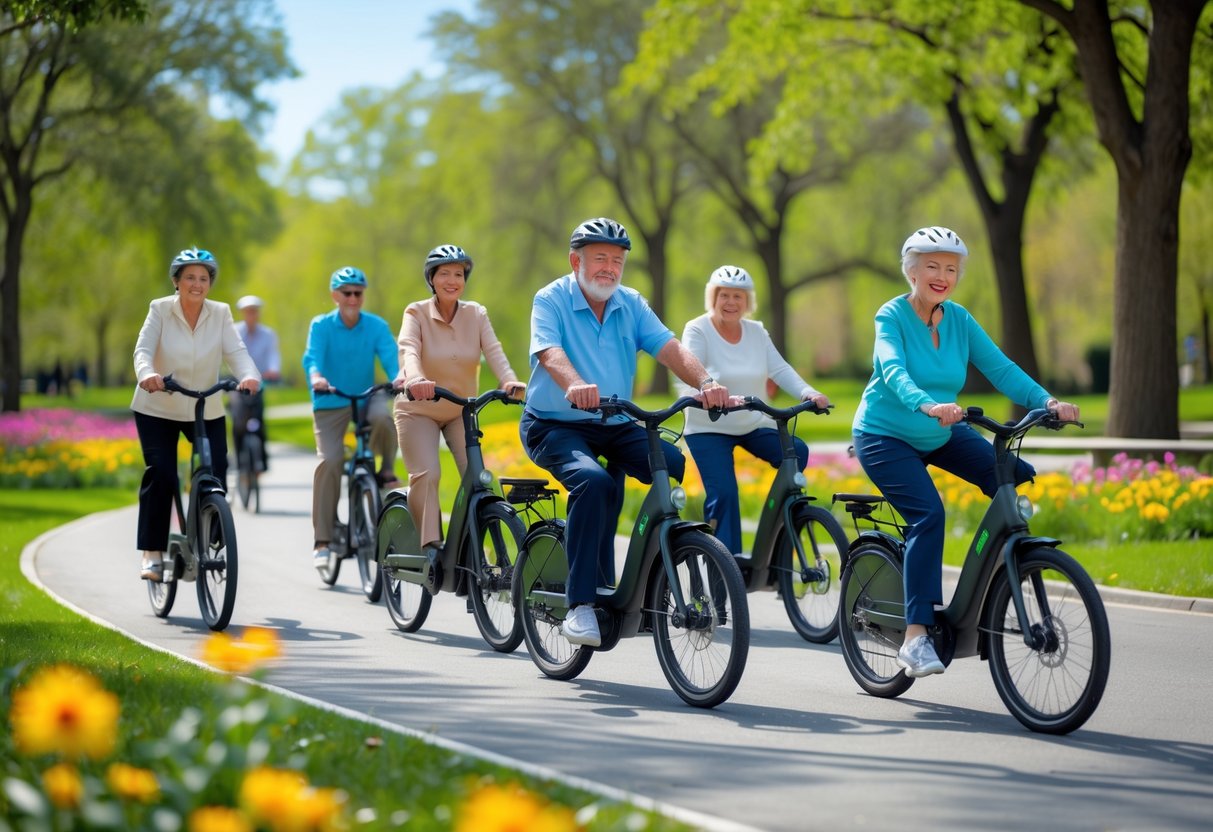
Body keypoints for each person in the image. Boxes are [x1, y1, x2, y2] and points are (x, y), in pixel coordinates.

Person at [851, 226, 1080, 677]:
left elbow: (1002, 368)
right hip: (885, 434)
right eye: (932, 266)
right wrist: (926, 403)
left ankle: (998, 578)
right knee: (928, 515)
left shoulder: (959, 319)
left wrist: (1047, 403)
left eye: (950, 269)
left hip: (941, 430)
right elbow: (892, 367)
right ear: (912, 271)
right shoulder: (891, 316)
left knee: (1013, 475)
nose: (942, 275)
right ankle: (916, 636)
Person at [520, 217, 730, 647]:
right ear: (575, 260)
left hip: (613, 422)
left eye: (617, 261)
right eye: (600, 258)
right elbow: (548, 351)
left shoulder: (630, 303)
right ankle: (579, 607)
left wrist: (706, 383)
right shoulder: (551, 298)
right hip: (553, 425)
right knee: (594, 484)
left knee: (671, 464)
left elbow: (670, 349)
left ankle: (651, 585)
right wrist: (574, 384)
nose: (609, 268)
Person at [677, 265, 831, 554]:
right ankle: (727, 566)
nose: (731, 303)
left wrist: (808, 392)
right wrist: (708, 393)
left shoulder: (756, 331)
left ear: (747, 301)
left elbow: (780, 368)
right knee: (724, 494)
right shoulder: (697, 329)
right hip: (708, 427)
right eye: (725, 296)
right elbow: (690, 370)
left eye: (738, 296)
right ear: (714, 297)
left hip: (752, 423)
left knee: (796, 453)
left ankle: (774, 536)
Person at [131, 248, 260, 582]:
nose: (197, 284)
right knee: (162, 474)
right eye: (189, 277)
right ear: (176, 281)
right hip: (158, 405)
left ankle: (211, 530)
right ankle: (153, 552)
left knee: (218, 468)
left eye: (203, 278)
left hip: (205, 405)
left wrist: (250, 375)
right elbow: (143, 349)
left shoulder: (220, 313)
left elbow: (236, 352)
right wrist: (146, 373)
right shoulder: (159, 309)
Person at [394, 244, 526, 561]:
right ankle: (429, 549)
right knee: (428, 475)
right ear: (432, 279)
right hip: (418, 409)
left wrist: (508, 379)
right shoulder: (416, 312)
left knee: (479, 478)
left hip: (460, 411)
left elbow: (494, 350)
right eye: (444, 274)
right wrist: (414, 379)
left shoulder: (476, 314)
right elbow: (408, 349)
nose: (452, 280)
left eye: (458, 274)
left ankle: (475, 549)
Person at [302, 266, 401, 573]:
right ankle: (322, 541)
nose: (353, 298)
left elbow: (391, 356)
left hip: (366, 395)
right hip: (330, 398)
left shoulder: (375, 326)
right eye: (347, 293)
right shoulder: (321, 326)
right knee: (330, 460)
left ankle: (384, 471)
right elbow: (312, 357)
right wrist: (316, 376)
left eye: (358, 293)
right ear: (335, 296)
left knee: (384, 418)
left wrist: (400, 378)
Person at [231, 294, 281, 471]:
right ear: (242, 313)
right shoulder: (234, 331)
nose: (251, 314)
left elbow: (273, 355)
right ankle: (238, 461)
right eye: (248, 311)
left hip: (259, 382)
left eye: (254, 311)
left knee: (259, 419)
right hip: (237, 382)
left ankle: (263, 462)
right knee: (238, 421)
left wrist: (273, 370)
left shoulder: (268, 334)